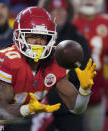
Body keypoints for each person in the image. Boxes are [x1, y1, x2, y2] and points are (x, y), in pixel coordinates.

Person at [0, 6, 96, 131]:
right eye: (33, 36)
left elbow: (76, 108)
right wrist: (29, 109)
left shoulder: (55, 61)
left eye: (43, 37)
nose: (38, 42)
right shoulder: (6, 60)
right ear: (19, 36)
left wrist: (84, 90)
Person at [31, 0, 91, 131]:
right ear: (48, 13)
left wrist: (55, 73)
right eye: (55, 10)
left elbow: (84, 68)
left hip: (69, 107)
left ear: (68, 12)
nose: (60, 13)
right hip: (41, 108)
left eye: (63, 10)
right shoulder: (38, 38)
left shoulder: (78, 38)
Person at [72, 0, 108, 130]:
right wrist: (103, 88)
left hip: (83, 91)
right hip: (78, 90)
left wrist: (103, 88)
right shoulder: (69, 22)